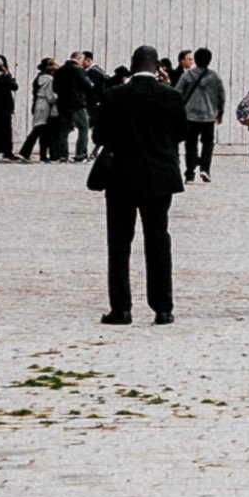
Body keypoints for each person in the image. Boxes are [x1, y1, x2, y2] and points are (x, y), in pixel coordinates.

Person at [89, 44, 195, 322]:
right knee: (158, 240)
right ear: (157, 66)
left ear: (132, 65)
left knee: (119, 243)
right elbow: (182, 133)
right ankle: (163, 308)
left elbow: (99, 136)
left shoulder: (114, 96)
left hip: (121, 177)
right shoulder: (171, 96)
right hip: (160, 177)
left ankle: (121, 308)